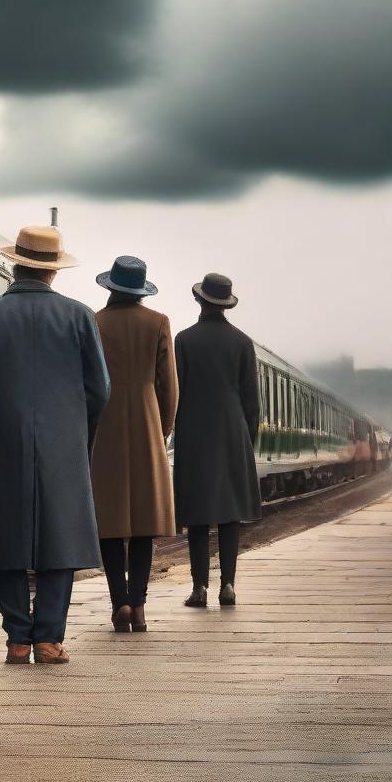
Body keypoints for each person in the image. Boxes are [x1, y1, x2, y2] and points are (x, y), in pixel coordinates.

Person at [0, 225, 110, 665]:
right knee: (61, 534)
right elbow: (100, 388)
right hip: (63, 441)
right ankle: (49, 639)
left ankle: (17, 639)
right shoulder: (79, 316)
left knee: (7, 534)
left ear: (16, 265)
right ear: (53, 271)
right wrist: (77, 428)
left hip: (4, 438)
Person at [90, 256, 178, 633]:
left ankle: (119, 602)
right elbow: (168, 385)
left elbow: (89, 381)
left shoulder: (95, 322)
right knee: (144, 521)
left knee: (110, 521)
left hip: (105, 424)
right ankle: (139, 605)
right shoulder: (158, 322)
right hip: (146, 421)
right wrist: (164, 427)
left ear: (111, 286)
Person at [172, 272, 261, 608]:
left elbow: (176, 395)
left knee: (196, 514)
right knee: (229, 514)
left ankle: (199, 589)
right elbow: (252, 404)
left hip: (195, 433)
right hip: (233, 432)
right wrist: (245, 440)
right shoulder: (242, 342)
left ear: (199, 300)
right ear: (227, 304)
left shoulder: (184, 340)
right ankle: (228, 585)